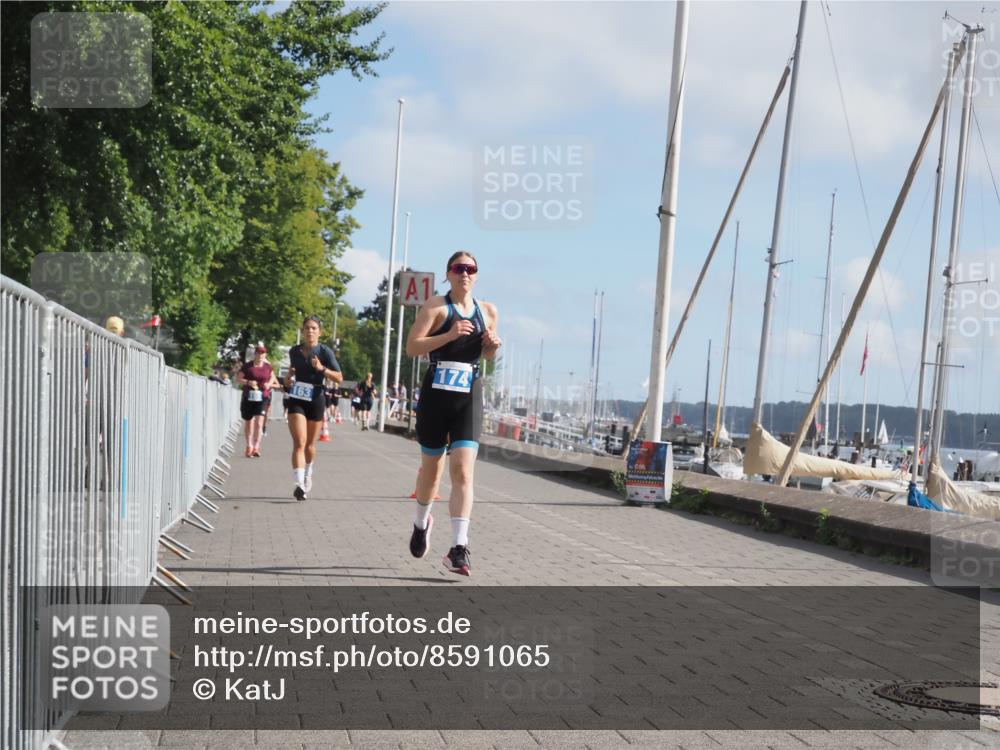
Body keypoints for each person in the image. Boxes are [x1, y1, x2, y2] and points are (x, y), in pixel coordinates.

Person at [405, 251, 500, 575]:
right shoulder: (436, 306)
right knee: (431, 473)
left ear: (477, 275)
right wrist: (447, 334)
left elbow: (486, 353)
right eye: (459, 268)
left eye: (471, 269)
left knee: (463, 471)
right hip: (436, 396)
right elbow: (412, 346)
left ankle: (458, 548)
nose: (465, 273)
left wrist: (493, 345)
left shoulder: (487, 311)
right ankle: (421, 524)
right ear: (448, 273)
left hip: (468, 396)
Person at [285, 316, 343, 500]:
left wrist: (321, 369)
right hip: (297, 398)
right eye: (307, 328)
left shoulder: (325, 352)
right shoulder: (294, 351)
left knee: (310, 445)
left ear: (319, 332)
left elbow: (339, 378)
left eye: (314, 328)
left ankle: (308, 472)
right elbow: (289, 379)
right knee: (299, 442)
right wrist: (288, 377)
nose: (310, 331)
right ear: (302, 331)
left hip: (316, 398)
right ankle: (299, 484)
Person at [237, 345, 274, 458]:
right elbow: (239, 379)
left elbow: (272, 377)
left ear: (265, 355)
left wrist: (269, 384)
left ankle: (256, 447)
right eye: (258, 353)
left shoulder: (268, 367)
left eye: (263, 353)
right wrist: (248, 382)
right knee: (249, 421)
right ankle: (249, 446)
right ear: (255, 354)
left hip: (263, 397)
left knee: (259, 422)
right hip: (249, 396)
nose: (260, 355)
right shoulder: (247, 366)